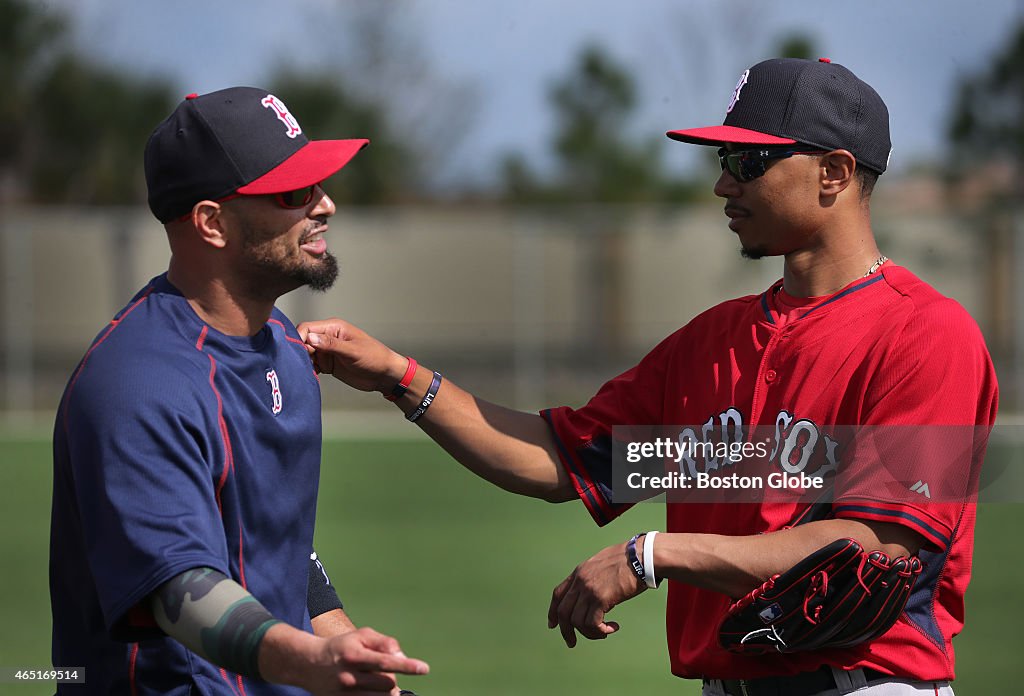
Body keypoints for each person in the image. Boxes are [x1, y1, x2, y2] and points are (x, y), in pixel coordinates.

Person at [298, 58, 998, 696]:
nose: (724, 181)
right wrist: (399, 376)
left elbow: (876, 546)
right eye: (723, 157)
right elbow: (559, 461)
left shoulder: (928, 336)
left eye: (748, 158)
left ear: (835, 172)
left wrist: (652, 556)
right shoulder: (710, 344)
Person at [50, 87, 428, 695]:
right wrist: (311, 662)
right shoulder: (137, 383)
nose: (325, 205)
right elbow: (181, 593)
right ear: (211, 222)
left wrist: (360, 674)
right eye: (293, 192)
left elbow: (283, 548)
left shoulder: (284, 344)